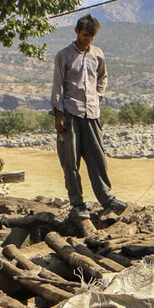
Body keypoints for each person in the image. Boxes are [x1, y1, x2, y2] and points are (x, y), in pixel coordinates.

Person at [50, 14, 125, 216]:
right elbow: (58, 86)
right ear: (76, 32)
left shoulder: (98, 54)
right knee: (70, 161)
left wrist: (98, 96)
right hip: (70, 113)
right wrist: (58, 114)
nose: (87, 40)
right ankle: (77, 203)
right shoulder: (63, 56)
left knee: (97, 159)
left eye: (91, 37)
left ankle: (107, 199)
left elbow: (103, 77)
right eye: (84, 36)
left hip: (92, 114)